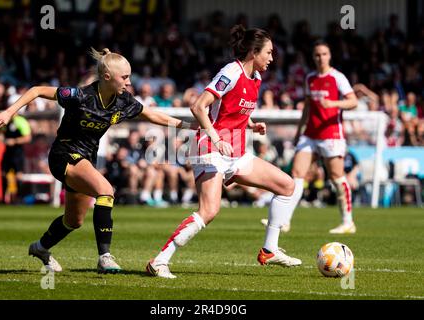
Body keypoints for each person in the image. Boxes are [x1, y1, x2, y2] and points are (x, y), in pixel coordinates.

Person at [0, 48, 192, 274]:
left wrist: (190, 126)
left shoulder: (123, 101)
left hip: (86, 160)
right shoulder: (80, 96)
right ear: (107, 77)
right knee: (106, 191)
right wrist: (9, 113)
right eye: (124, 77)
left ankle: (41, 247)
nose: (128, 82)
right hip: (64, 155)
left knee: (73, 221)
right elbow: (37, 90)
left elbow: (154, 115)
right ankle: (105, 257)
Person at [146, 25, 302, 279]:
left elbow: (234, 110)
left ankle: (270, 249)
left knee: (287, 186)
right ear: (253, 52)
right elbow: (198, 107)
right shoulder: (231, 71)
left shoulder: (257, 78)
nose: (272, 58)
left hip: (237, 152)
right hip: (209, 149)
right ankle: (159, 261)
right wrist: (216, 139)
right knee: (209, 211)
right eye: (269, 53)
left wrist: (252, 124)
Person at [280, 40, 358, 234]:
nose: (320, 57)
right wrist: (299, 132)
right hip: (310, 134)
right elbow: (307, 107)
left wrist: (332, 104)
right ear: (313, 57)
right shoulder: (310, 78)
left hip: (331, 133)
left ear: (329, 56)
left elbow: (353, 101)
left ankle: (348, 222)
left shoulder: (337, 78)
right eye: (317, 54)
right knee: (297, 174)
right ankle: (285, 220)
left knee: (336, 176)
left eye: (324, 54)